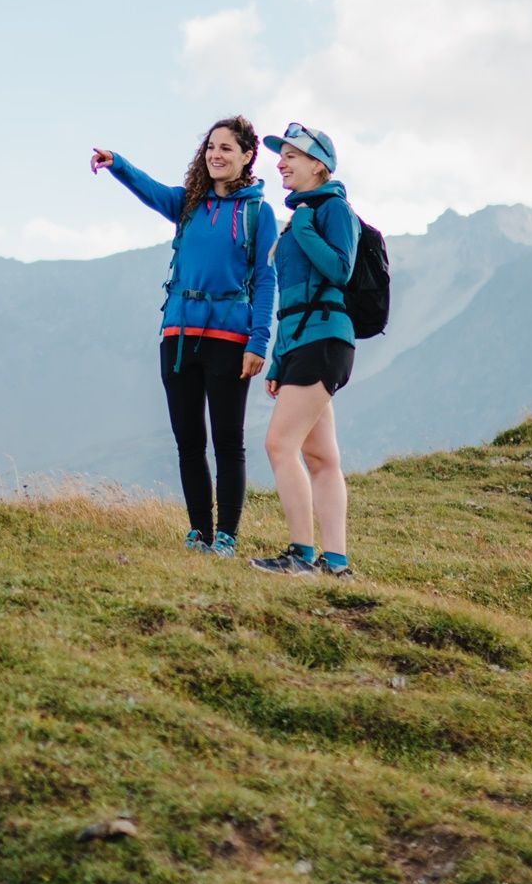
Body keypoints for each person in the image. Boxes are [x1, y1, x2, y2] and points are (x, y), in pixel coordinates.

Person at [89, 119, 276, 558]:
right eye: (211, 147)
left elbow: (266, 281)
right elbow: (152, 190)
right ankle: (199, 533)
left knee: (227, 440)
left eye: (227, 148)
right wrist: (118, 164)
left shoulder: (257, 213)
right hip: (177, 334)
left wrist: (258, 341)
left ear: (247, 156)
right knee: (188, 440)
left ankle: (226, 537)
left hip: (231, 336)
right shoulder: (189, 204)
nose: (216, 155)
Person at [251, 123, 357, 578]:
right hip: (302, 341)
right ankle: (335, 563)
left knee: (279, 444)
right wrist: (277, 359)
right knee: (321, 458)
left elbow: (340, 269)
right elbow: (290, 299)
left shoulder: (332, 208)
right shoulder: (302, 216)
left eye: (291, 155)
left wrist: (308, 227)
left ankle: (300, 556)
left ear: (319, 165)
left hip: (325, 338)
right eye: (281, 155)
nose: (281, 162)